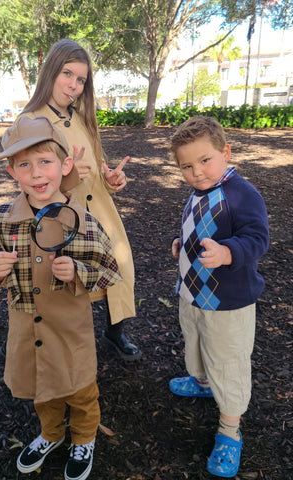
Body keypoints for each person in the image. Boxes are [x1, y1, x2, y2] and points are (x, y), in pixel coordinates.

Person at [0, 115, 122, 480]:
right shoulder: (2, 221)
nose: (36, 173)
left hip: (71, 329)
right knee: (42, 389)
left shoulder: (82, 221)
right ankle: (51, 432)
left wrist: (79, 273)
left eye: (45, 161)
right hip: (27, 331)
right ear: (12, 173)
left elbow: (110, 269)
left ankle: (84, 436)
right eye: (24, 165)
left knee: (80, 390)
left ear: (64, 165)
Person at [21, 38, 141, 361]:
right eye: (67, 74)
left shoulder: (81, 117)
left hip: (100, 208)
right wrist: (70, 177)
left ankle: (114, 333)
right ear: (50, 72)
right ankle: (73, 354)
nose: (74, 85)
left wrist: (111, 179)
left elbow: (98, 167)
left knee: (119, 268)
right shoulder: (31, 122)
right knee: (74, 284)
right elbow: (33, 183)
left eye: (81, 80)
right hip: (62, 217)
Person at [168, 116, 269, 478]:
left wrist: (228, 253)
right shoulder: (199, 192)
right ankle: (203, 383)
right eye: (187, 166)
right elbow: (196, 228)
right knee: (194, 342)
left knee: (227, 360)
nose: (196, 172)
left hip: (227, 302)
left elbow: (258, 237)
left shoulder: (242, 193)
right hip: (193, 295)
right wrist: (183, 244)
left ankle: (229, 430)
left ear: (225, 152)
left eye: (205, 160)